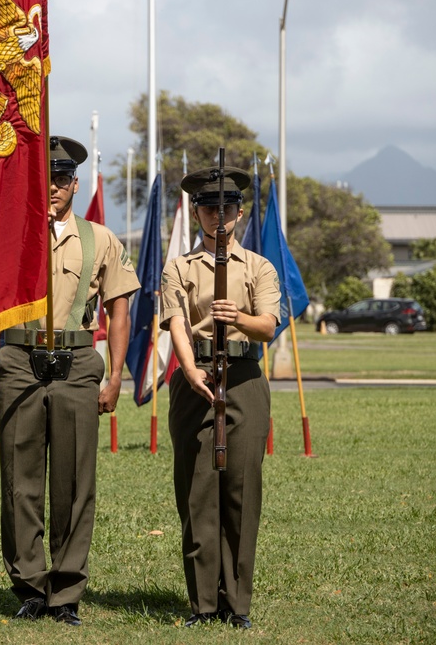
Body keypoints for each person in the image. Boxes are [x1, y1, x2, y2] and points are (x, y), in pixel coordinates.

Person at [0, 136, 140, 626]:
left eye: (61, 177)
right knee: (20, 478)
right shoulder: (10, 231)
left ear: (75, 183)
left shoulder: (101, 239)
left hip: (78, 362)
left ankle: (67, 591)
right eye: (45, 177)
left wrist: (116, 373)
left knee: (76, 482)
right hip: (20, 358)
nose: (53, 186)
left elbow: (119, 310)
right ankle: (31, 587)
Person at [160, 165, 280, 629]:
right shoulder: (179, 267)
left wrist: (240, 317)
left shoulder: (258, 266)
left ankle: (238, 603)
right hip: (197, 377)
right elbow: (175, 322)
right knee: (197, 490)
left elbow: (268, 325)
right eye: (209, 208)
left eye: (227, 208)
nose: (219, 217)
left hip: (245, 376)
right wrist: (190, 370)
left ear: (240, 213)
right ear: (197, 214)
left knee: (241, 491)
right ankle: (203, 602)